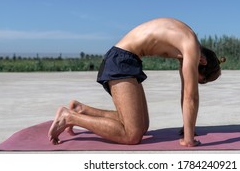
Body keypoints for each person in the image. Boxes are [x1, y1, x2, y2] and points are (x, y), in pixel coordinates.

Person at [48, 18, 225, 147]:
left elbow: (185, 92)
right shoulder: (190, 46)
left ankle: (81, 110)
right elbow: (191, 97)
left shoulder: (187, 42)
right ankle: (69, 116)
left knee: (142, 125)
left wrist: (189, 128)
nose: (194, 78)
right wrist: (188, 140)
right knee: (131, 135)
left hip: (128, 60)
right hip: (121, 60)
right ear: (202, 62)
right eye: (198, 77)